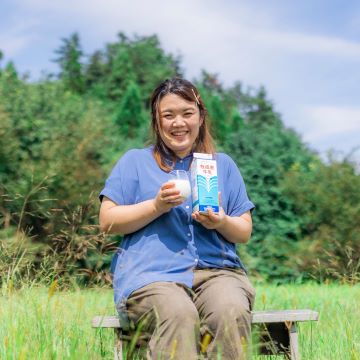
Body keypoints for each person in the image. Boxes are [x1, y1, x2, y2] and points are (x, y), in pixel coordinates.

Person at [99, 77, 256, 360]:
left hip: (218, 273)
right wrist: (156, 206)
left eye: (187, 113)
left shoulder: (223, 165)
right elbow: (107, 221)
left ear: (200, 116)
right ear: (157, 121)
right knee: (178, 313)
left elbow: (244, 231)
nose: (178, 123)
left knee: (228, 310)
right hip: (152, 275)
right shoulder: (135, 162)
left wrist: (221, 221)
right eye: (168, 115)